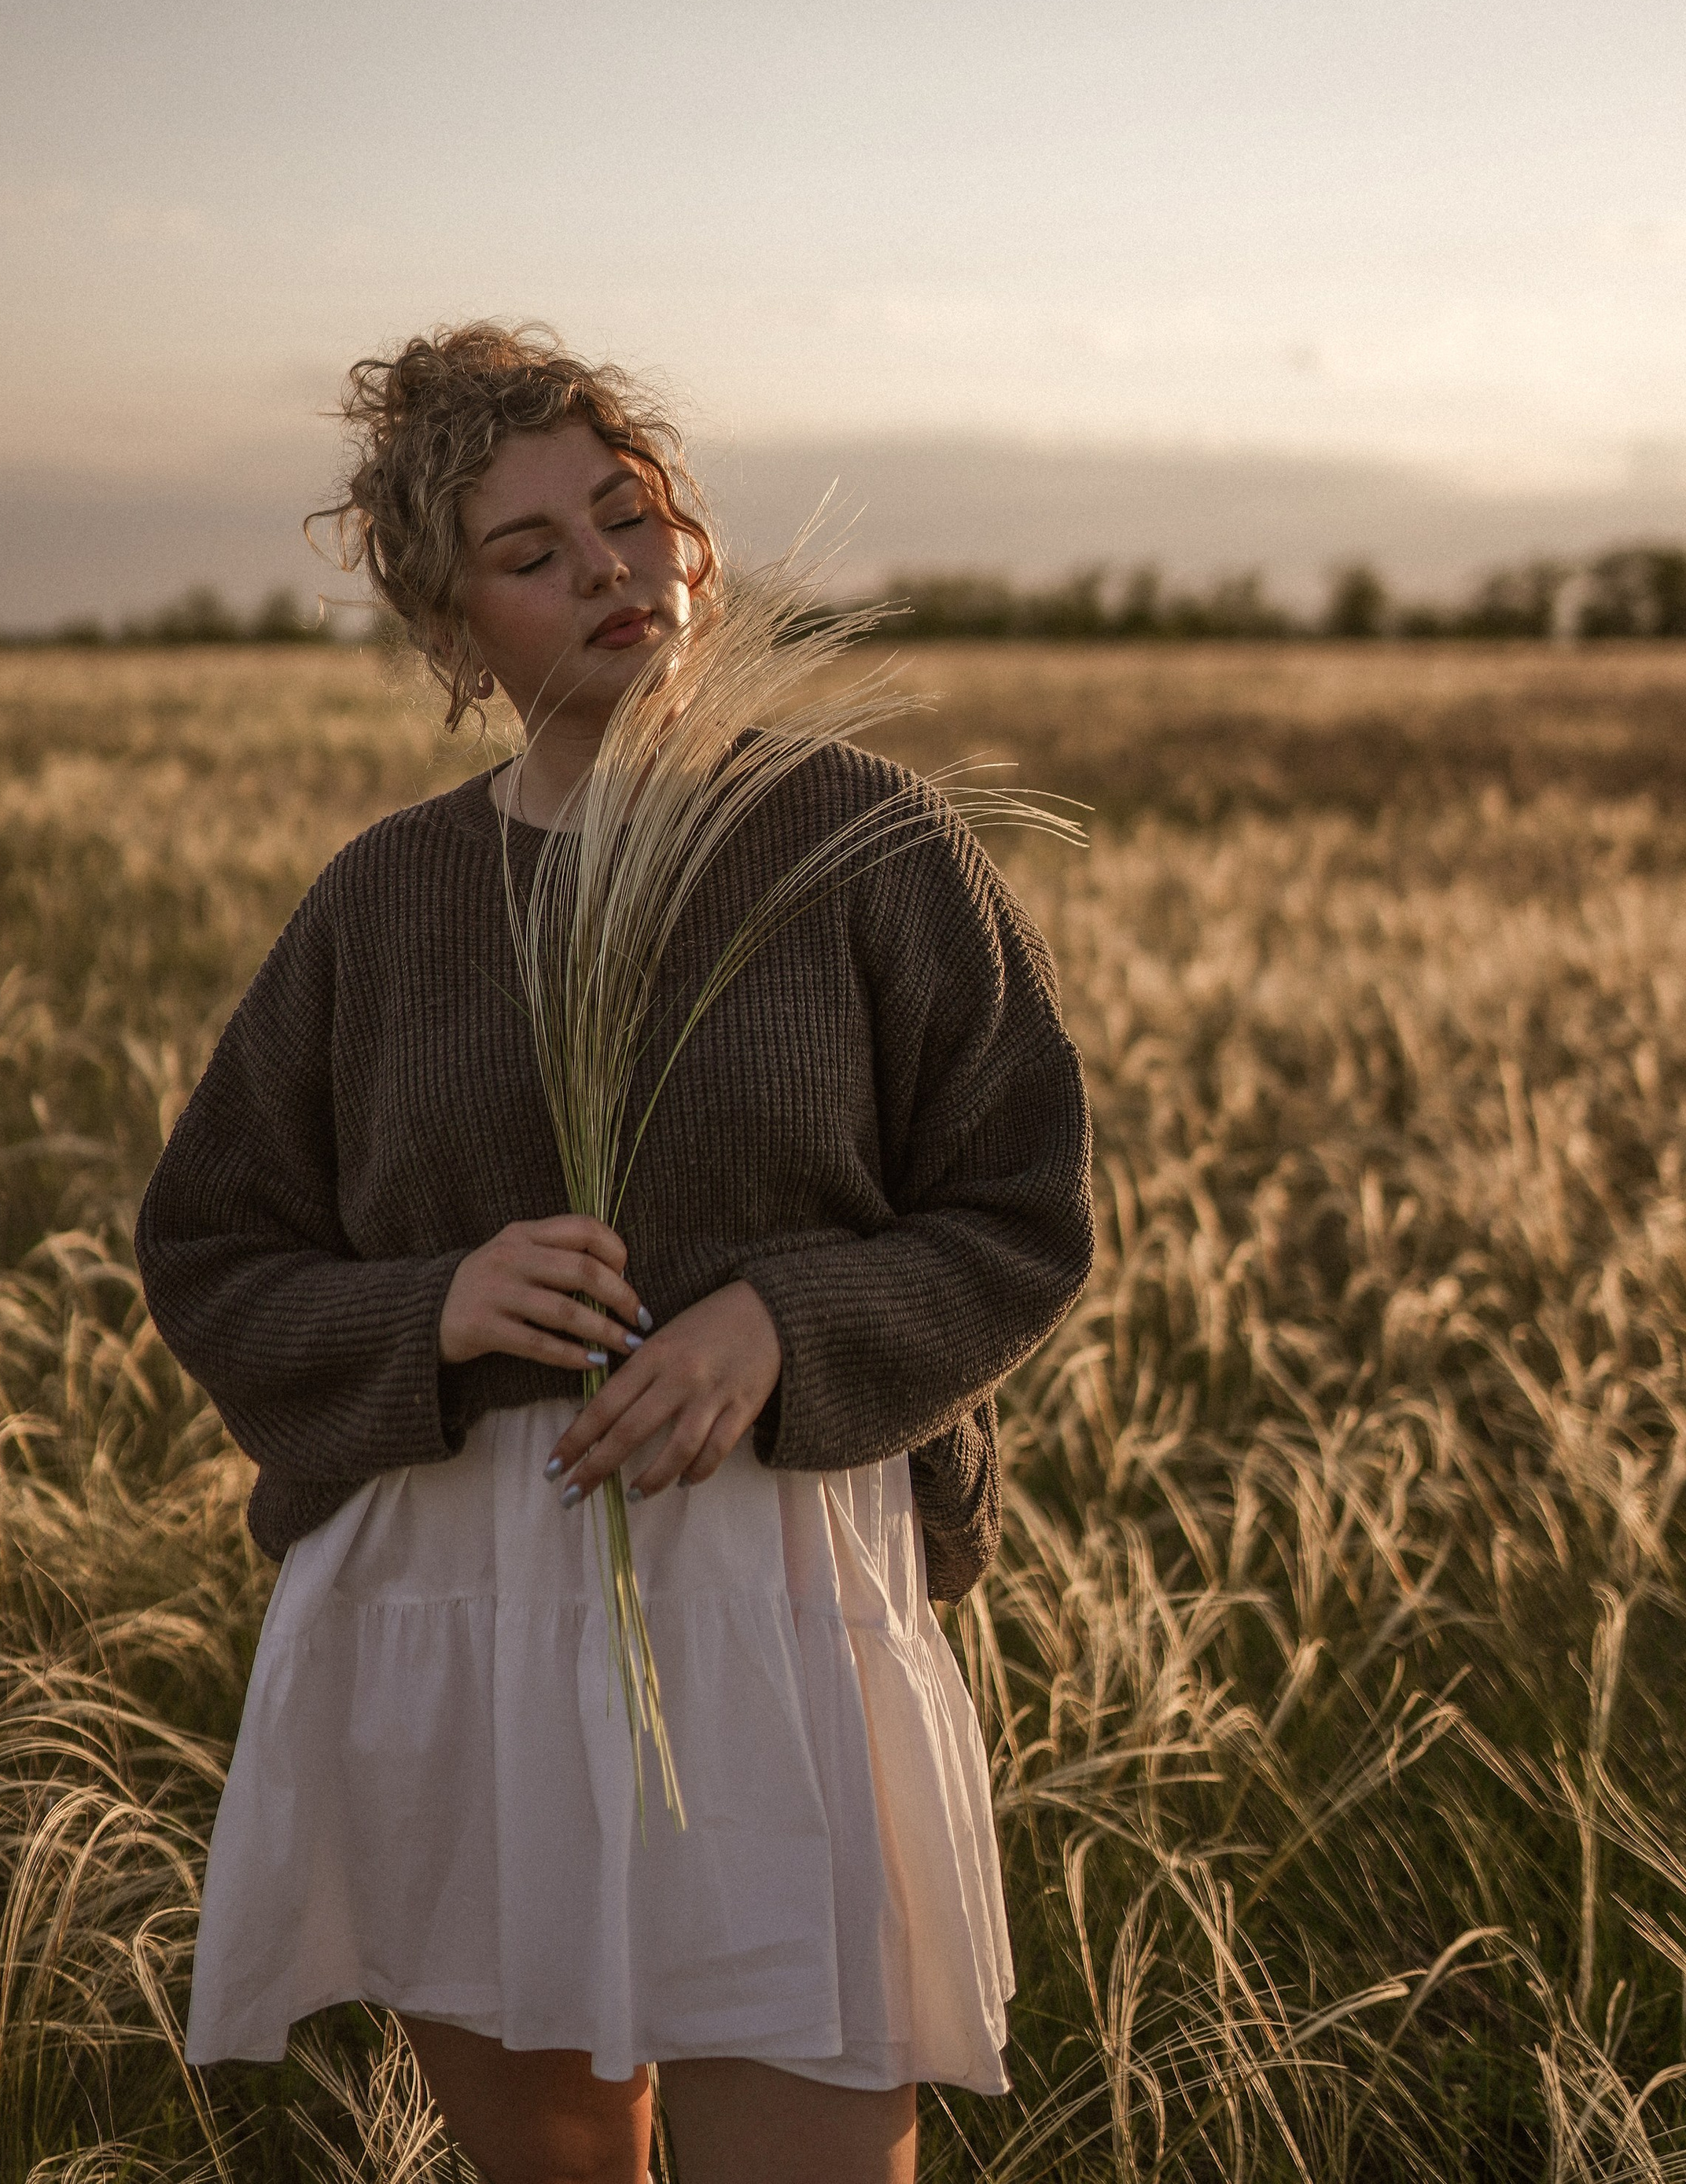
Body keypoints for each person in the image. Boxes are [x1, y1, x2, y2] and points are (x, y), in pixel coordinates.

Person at [134, 323, 1095, 2184]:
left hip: (772, 1619)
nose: (607, 573)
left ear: (693, 540)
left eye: (628, 515)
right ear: (447, 636)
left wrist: (782, 1324)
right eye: (530, 554)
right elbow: (212, 1244)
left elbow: (1022, 1206)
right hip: (454, 1619)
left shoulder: (864, 846)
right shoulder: (382, 904)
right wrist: (429, 1308)